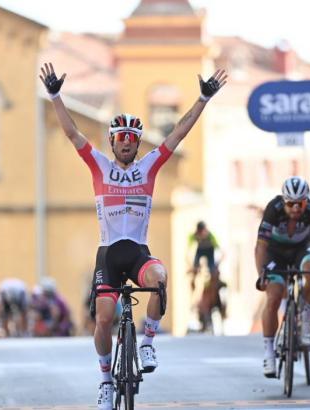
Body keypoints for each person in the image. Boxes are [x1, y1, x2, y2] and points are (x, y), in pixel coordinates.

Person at [39, 62, 226, 409]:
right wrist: (55, 95)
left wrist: (202, 98)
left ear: (138, 144)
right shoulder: (100, 166)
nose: (126, 144)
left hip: (138, 252)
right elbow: (72, 133)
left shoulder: (149, 167)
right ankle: (106, 381)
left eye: (132, 139)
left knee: (160, 278)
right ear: (112, 142)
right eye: (120, 139)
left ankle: (149, 340)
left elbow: (178, 133)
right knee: (105, 319)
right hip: (108, 255)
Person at [255, 176, 310, 378]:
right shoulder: (273, 208)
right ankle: (269, 352)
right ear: (283, 202)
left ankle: (305, 318)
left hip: (300, 251)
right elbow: (261, 246)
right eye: (291, 204)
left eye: (300, 203)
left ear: (307, 201)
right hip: (275, 253)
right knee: (274, 296)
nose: (296, 208)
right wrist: (262, 273)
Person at [188, 221, 220, 288]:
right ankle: (193, 281)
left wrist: (217, 263)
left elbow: (219, 249)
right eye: (200, 232)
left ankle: (215, 284)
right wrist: (191, 265)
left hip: (210, 251)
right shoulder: (194, 236)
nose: (202, 235)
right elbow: (189, 248)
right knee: (195, 265)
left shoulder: (210, 236)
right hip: (200, 250)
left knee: (212, 267)